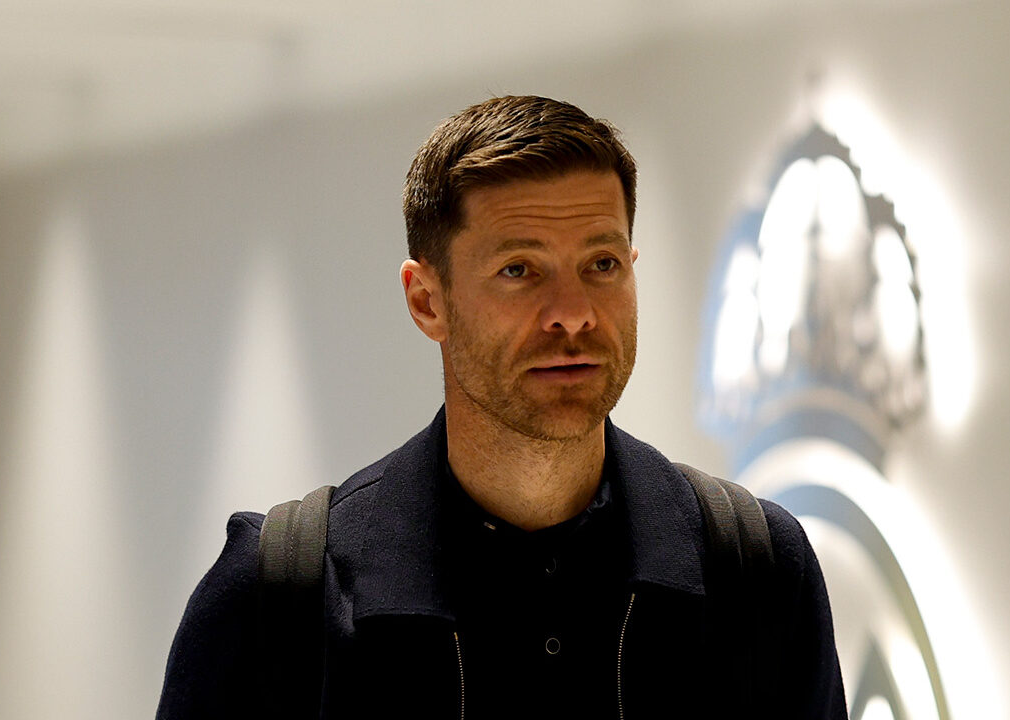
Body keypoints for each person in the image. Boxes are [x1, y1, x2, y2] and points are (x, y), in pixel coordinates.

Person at [157, 95, 847, 719]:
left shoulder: (755, 569)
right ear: (427, 301)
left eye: (602, 265)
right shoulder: (279, 597)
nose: (573, 313)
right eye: (519, 270)